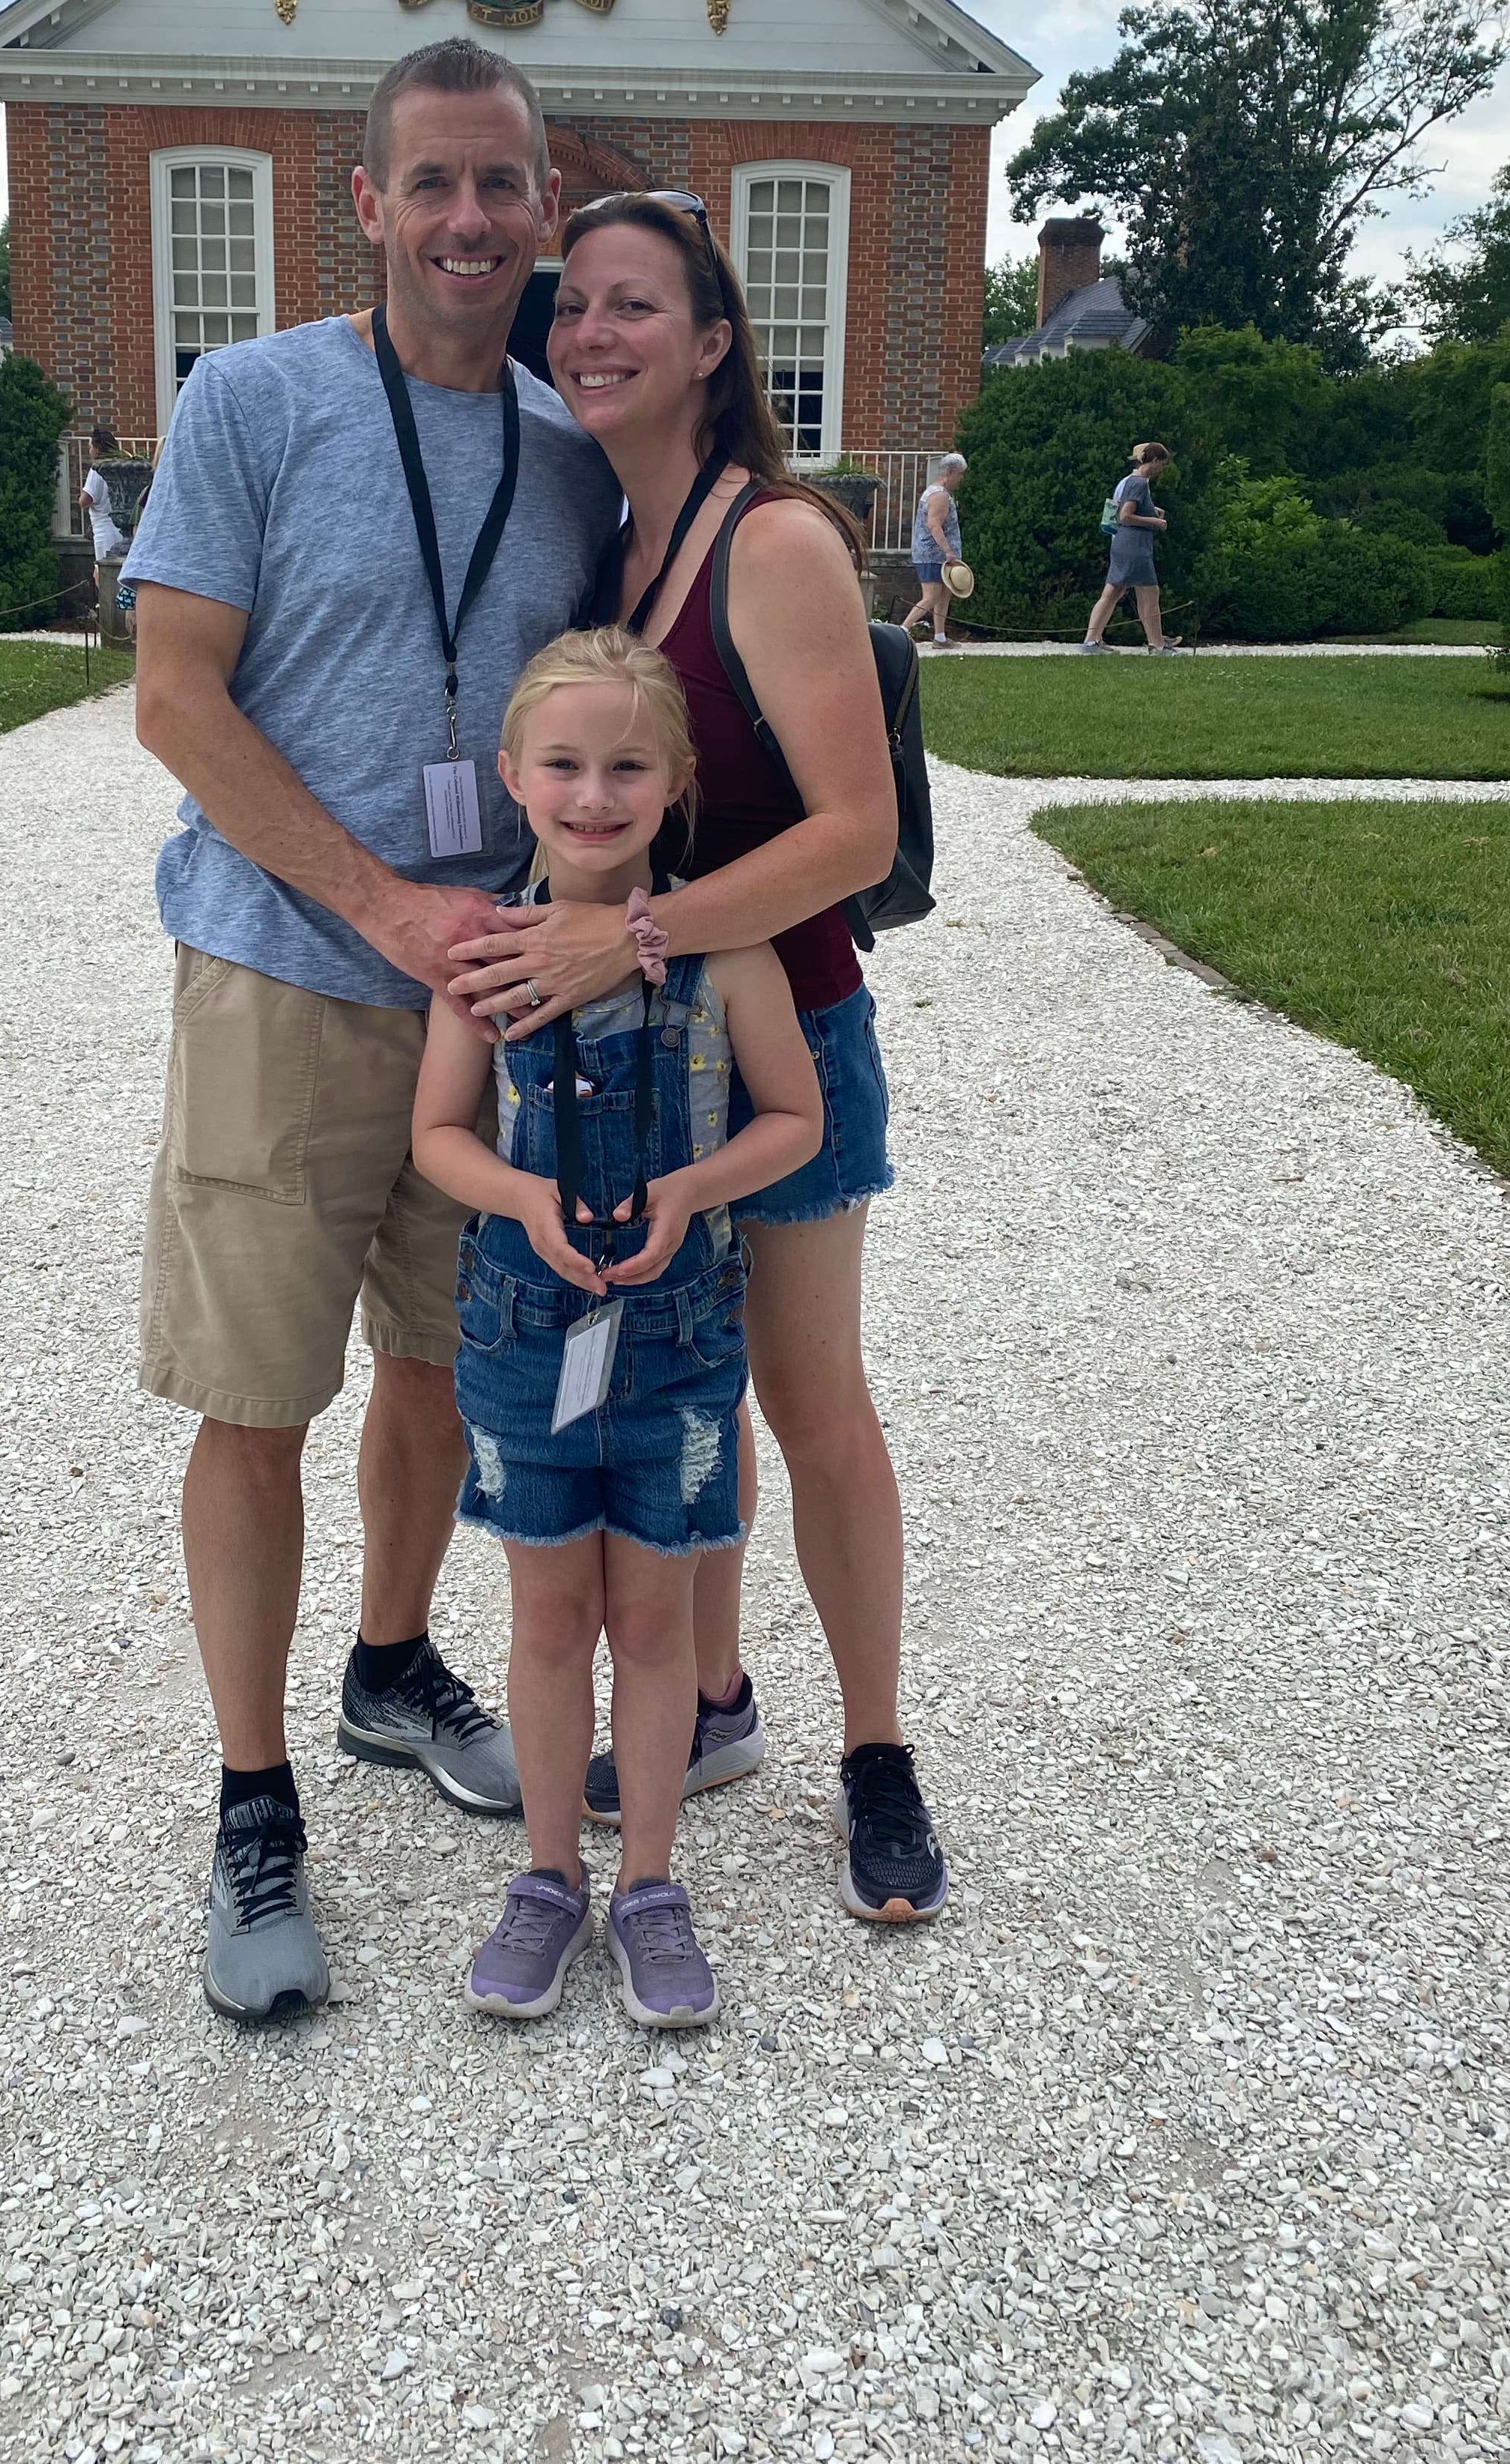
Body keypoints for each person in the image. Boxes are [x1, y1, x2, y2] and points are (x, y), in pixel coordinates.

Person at [124, 37, 622, 2022]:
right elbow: (176, 699)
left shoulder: (566, 444)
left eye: (504, 184)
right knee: (257, 1397)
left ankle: (392, 1667)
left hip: (485, 994)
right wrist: (384, 904)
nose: (470, 220)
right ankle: (252, 1798)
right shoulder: (248, 403)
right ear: (368, 203)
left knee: (442, 1362)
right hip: (283, 968)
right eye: (433, 182)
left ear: (545, 206)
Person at [444, 191, 950, 1926]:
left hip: (779, 1024)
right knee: (687, 1383)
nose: (590, 332)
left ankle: (877, 1756)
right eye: (572, 306)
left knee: (812, 1402)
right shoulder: (615, 545)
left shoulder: (772, 542)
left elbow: (858, 832)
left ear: (717, 342)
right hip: (630, 1059)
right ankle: (713, 1702)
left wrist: (628, 935)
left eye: (634, 306)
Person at [413, 629, 821, 2026]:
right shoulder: (480, 954)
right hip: (525, 1327)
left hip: (684, 1333)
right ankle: (543, 1875)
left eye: (626, 766)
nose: (594, 795)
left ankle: (648, 1879)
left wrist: (694, 1187)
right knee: (545, 1612)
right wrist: (522, 1198)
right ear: (514, 778)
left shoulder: (727, 951)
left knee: (650, 1615)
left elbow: (793, 1119)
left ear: (675, 779)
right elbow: (435, 1133)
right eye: (566, 765)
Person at [1080, 440, 1178, 652]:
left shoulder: (1130, 481)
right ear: (1154, 461)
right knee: (1150, 593)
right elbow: (1126, 515)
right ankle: (1158, 645)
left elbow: (1127, 506)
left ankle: (1091, 641)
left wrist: (1153, 510)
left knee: (1113, 591)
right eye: (1162, 465)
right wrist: (1156, 522)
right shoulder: (1140, 482)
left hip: (1124, 544)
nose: (1162, 470)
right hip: (1135, 547)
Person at [906, 452, 968, 649]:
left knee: (943, 595)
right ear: (950, 472)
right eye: (960, 474)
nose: (961, 478)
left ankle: (940, 637)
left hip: (936, 555)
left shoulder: (937, 492)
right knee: (931, 596)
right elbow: (934, 525)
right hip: (933, 555)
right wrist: (948, 551)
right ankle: (901, 631)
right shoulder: (939, 495)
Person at [81, 425, 133, 640]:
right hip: (119, 526)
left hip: (103, 527)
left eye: (91, 446)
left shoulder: (97, 470)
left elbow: (86, 501)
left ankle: (110, 620)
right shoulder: (121, 466)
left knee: (102, 575)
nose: (89, 450)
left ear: (98, 448)